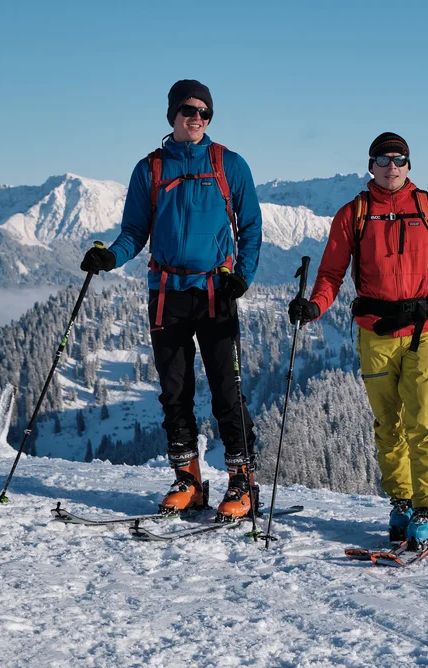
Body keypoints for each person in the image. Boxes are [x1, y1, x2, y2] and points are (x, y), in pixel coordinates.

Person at [79, 79, 263, 521]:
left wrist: (242, 278)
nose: (196, 117)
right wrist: (109, 257)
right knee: (174, 392)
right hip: (167, 296)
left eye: (204, 112)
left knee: (226, 390)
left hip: (217, 293)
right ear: (172, 115)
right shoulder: (151, 169)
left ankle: (243, 482)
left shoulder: (229, 164)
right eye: (188, 110)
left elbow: (252, 228)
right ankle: (189, 480)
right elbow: (133, 233)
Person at [287, 132, 428, 548]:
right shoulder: (353, 213)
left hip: (423, 333)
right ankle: (402, 501)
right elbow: (331, 273)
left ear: (409, 165)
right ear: (371, 165)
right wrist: (315, 306)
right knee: (388, 424)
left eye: (399, 159)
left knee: (424, 422)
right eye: (383, 159)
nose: (392, 166)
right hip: (375, 332)